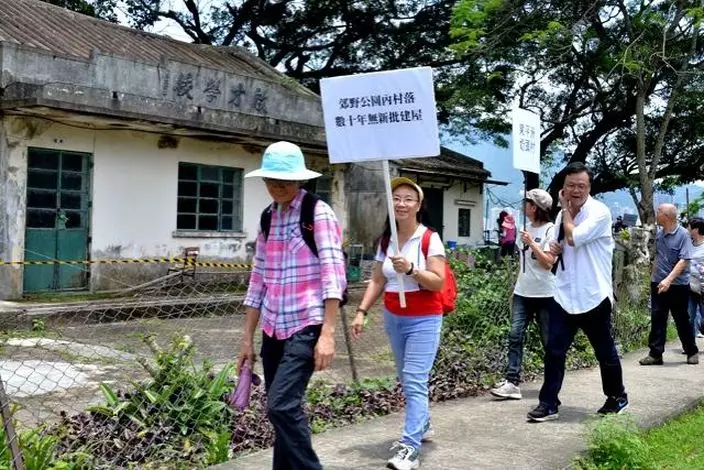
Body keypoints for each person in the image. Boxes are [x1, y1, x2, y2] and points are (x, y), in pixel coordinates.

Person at [237, 141, 347, 470]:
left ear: (299, 179)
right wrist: (247, 339)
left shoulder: (317, 213)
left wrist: (327, 334)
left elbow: (333, 276)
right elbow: (258, 279)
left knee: (281, 406)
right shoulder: (268, 217)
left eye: (284, 180)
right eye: (271, 180)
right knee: (279, 411)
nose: (277, 186)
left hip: (306, 324)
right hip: (273, 327)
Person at [351, 177, 446, 470]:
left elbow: (438, 281)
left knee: (415, 380)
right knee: (406, 379)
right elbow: (378, 279)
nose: (401, 204)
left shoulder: (429, 238)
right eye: (396, 198)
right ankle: (423, 423)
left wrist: (412, 269)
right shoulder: (387, 240)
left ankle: (409, 448)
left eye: (408, 199)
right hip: (394, 317)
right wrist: (362, 311)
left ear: (418, 205)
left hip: (424, 318)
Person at [527, 162, 628, 422]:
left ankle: (617, 396)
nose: (575, 190)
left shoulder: (599, 212)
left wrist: (565, 212)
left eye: (581, 186)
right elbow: (555, 248)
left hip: (593, 294)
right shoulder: (561, 218)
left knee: (604, 352)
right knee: (554, 350)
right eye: (571, 185)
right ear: (563, 187)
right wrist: (553, 250)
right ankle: (548, 403)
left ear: (589, 187)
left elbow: (573, 237)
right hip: (564, 294)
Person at [491, 188, 555, 400]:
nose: (523, 206)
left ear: (534, 207)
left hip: (545, 294)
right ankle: (512, 381)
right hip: (522, 291)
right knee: (515, 334)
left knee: (548, 341)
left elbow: (548, 263)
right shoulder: (525, 228)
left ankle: (552, 381)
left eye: (526, 202)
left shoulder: (550, 230)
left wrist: (532, 244)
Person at [639, 204, 699, 366]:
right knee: (657, 318)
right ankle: (655, 354)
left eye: (658, 212)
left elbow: (684, 261)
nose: (656, 214)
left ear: (666, 216)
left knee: (682, 319)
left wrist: (668, 280)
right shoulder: (659, 234)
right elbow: (658, 256)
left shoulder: (683, 235)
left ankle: (691, 351)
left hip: (678, 285)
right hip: (658, 283)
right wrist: (654, 277)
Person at [688, 217, 704, 339]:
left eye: (689, 227)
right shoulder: (688, 245)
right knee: (689, 317)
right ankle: (690, 345)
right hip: (689, 287)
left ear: (696, 230)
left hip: (703, 289)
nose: (687, 230)